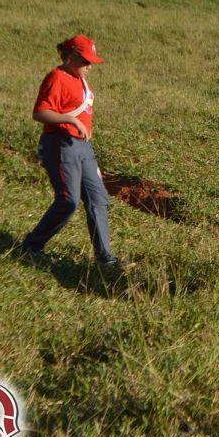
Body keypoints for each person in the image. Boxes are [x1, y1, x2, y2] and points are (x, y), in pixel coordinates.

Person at [21, 36, 132, 272]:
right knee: (68, 201)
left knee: (98, 198)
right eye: (85, 62)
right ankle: (33, 245)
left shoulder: (80, 79)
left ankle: (106, 259)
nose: (90, 67)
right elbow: (40, 112)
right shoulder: (56, 78)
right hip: (61, 145)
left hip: (83, 148)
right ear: (70, 57)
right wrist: (68, 119)